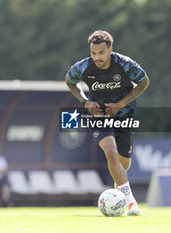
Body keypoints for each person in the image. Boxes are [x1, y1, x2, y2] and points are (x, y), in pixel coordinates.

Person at [65, 30, 149, 216]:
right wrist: (85, 102)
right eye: (93, 53)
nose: (97, 57)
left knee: (123, 163)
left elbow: (144, 82)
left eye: (101, 53)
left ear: (110, 49)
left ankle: (119, 184)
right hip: (99, 117)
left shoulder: (125, 64)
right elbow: (70, 81)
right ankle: (131, 202)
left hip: (124, 116)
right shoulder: (84, 67)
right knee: (110, 150)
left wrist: (120, 105)